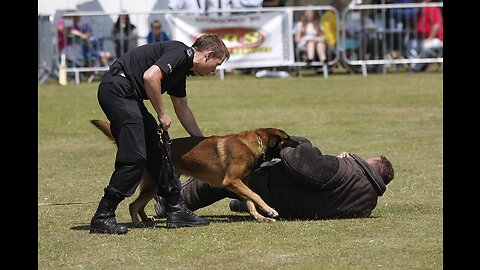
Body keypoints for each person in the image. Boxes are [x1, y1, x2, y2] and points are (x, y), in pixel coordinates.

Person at [90, 33, 231, 234]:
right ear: (208, 55)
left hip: (128, 96)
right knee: (136, 157)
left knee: (161, 150)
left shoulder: (181, 70)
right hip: (116, 91)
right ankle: (103, 216)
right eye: (216, 65)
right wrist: (162, 113)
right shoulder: (180, 52)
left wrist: (202, 142)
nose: (214, 71)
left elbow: (182, 108)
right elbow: (150, 76)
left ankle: (176, 209)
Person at [154, 136, 394, 220]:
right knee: (237, 191)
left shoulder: (344, 170)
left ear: (370, 166)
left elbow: (299, 166)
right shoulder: (367, 203)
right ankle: (240, 205)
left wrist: (297, 142)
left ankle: (168, 204)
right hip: (293, 207)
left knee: (221, 180)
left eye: (364, 159)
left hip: (277, 191)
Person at [408, 0, 443, 72]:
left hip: (437, 39)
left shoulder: (433, 9)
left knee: (426, 45)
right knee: (409, 43)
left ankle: (415, 68)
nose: (419, 3)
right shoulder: (419, 13)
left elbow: (436, 26)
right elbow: (414, 27)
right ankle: (414, 65)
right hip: (422, 39)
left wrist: (430, 38)